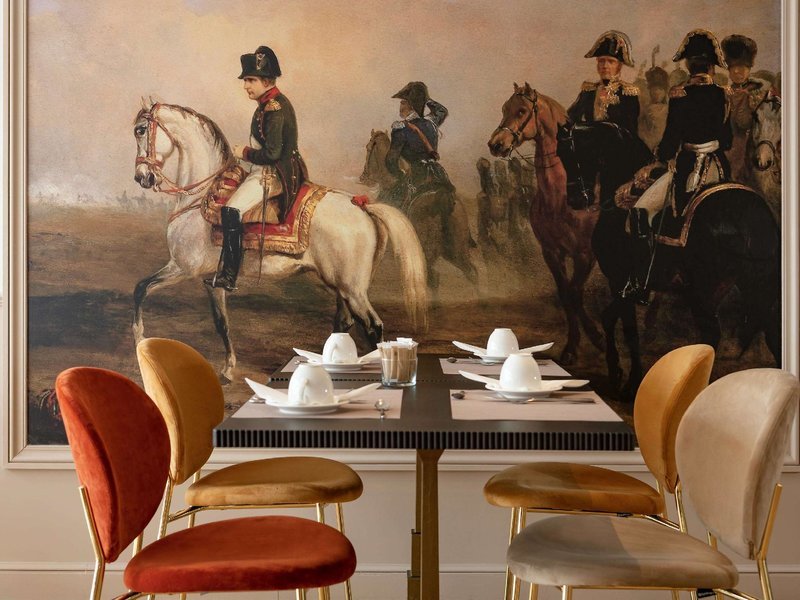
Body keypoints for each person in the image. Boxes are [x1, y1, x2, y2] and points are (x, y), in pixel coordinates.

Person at [624, 29, 732, 302]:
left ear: (687, 65)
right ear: (711, 66)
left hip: (688, 169)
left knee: (640, 211)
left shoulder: (680, 95)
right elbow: (727, 140)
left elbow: (671, 142)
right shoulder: (723, 94)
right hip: (719, 168)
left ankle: (643, 282)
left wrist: (658, 159)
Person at [205, 45, 308, 291]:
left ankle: (229, 276)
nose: (245, 86)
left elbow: (272, 154)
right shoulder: (267, 103)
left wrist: (244, 153)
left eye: (250, 80)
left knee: (230, 210)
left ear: (266, 81)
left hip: (274, 174)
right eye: (245, 80)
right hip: (264, 169)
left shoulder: (275, 108)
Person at [381, 81, 454, 212]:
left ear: (410, 105)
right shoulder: (432, 122)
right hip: (437, 173)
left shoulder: (400, 128)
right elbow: (442, 110)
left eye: (403, 102)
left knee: (385, 202)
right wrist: (425, 99)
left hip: (416, 176)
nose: (400, 105)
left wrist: (400, 174)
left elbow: (391, 160)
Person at [722, 34, 778, 182]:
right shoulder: (724, 94)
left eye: (741, 67)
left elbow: (745, 123)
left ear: (749, 68)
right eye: (733, 67)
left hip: (760, 149)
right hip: (731, 151)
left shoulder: (763, 93)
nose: (736, 71)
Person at [567, 30, 641, 139]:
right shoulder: (589, 91)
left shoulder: (627, 93)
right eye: (601, 61)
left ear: (619, 66)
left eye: (611, 61)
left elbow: (628, 132)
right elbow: (570, 119)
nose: (605, 66)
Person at [639, 66, 670, 151]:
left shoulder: (669, 110)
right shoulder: (644, 110)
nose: (657, 92)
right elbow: (641, 131)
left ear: (665, 91)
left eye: (660, 89)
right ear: (650, 91)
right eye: (654, 89)